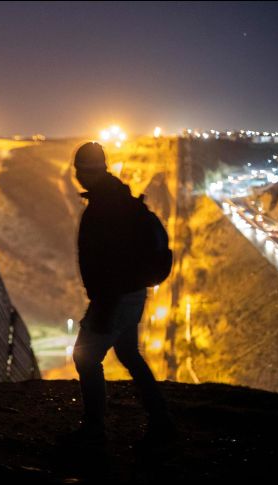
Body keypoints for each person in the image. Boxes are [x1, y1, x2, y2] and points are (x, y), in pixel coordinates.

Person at [62, 142, 175, 447]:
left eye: (79, 171)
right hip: (133, 293)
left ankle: (95, 430)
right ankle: (160, 417)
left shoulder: (103, 209)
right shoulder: (119, 200)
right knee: (128, 353)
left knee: (85, 358)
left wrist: (103, 309)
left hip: (115, 298)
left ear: (82, 172)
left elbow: (110, 263)